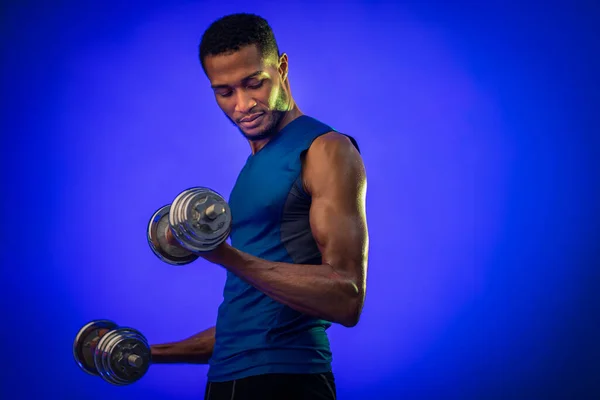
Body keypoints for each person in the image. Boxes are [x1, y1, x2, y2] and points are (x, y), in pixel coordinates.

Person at [150, 13, 369, 400]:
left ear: (281, 67)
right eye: (224, 91)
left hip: (288, 382)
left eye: (255, 83)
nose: (243, 104)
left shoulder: (325, 149)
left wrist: (222, 255)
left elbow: (346, 297)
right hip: (227, 381)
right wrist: (148, 354)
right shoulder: (253, 169)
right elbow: (248, 319)